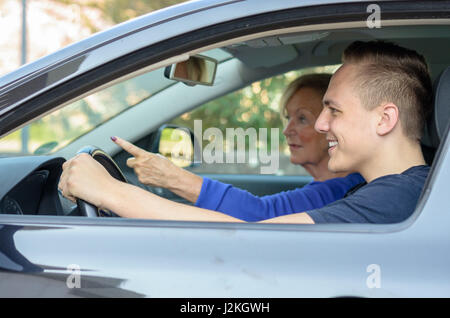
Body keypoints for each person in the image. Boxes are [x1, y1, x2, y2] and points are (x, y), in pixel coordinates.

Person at [59, 40, 431, 224]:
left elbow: (254, 233)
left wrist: (108, 191)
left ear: (384, 119)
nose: (320, 124)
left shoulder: (398, 199)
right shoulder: (384, 190)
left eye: (333, 110)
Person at [117, 74, 364, 222]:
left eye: (302, 119)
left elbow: (260, 214)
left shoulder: (345, 190)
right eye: (287, 118)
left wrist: (173, 177)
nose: (287, 130)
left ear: (332, 124)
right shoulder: (328, 188)